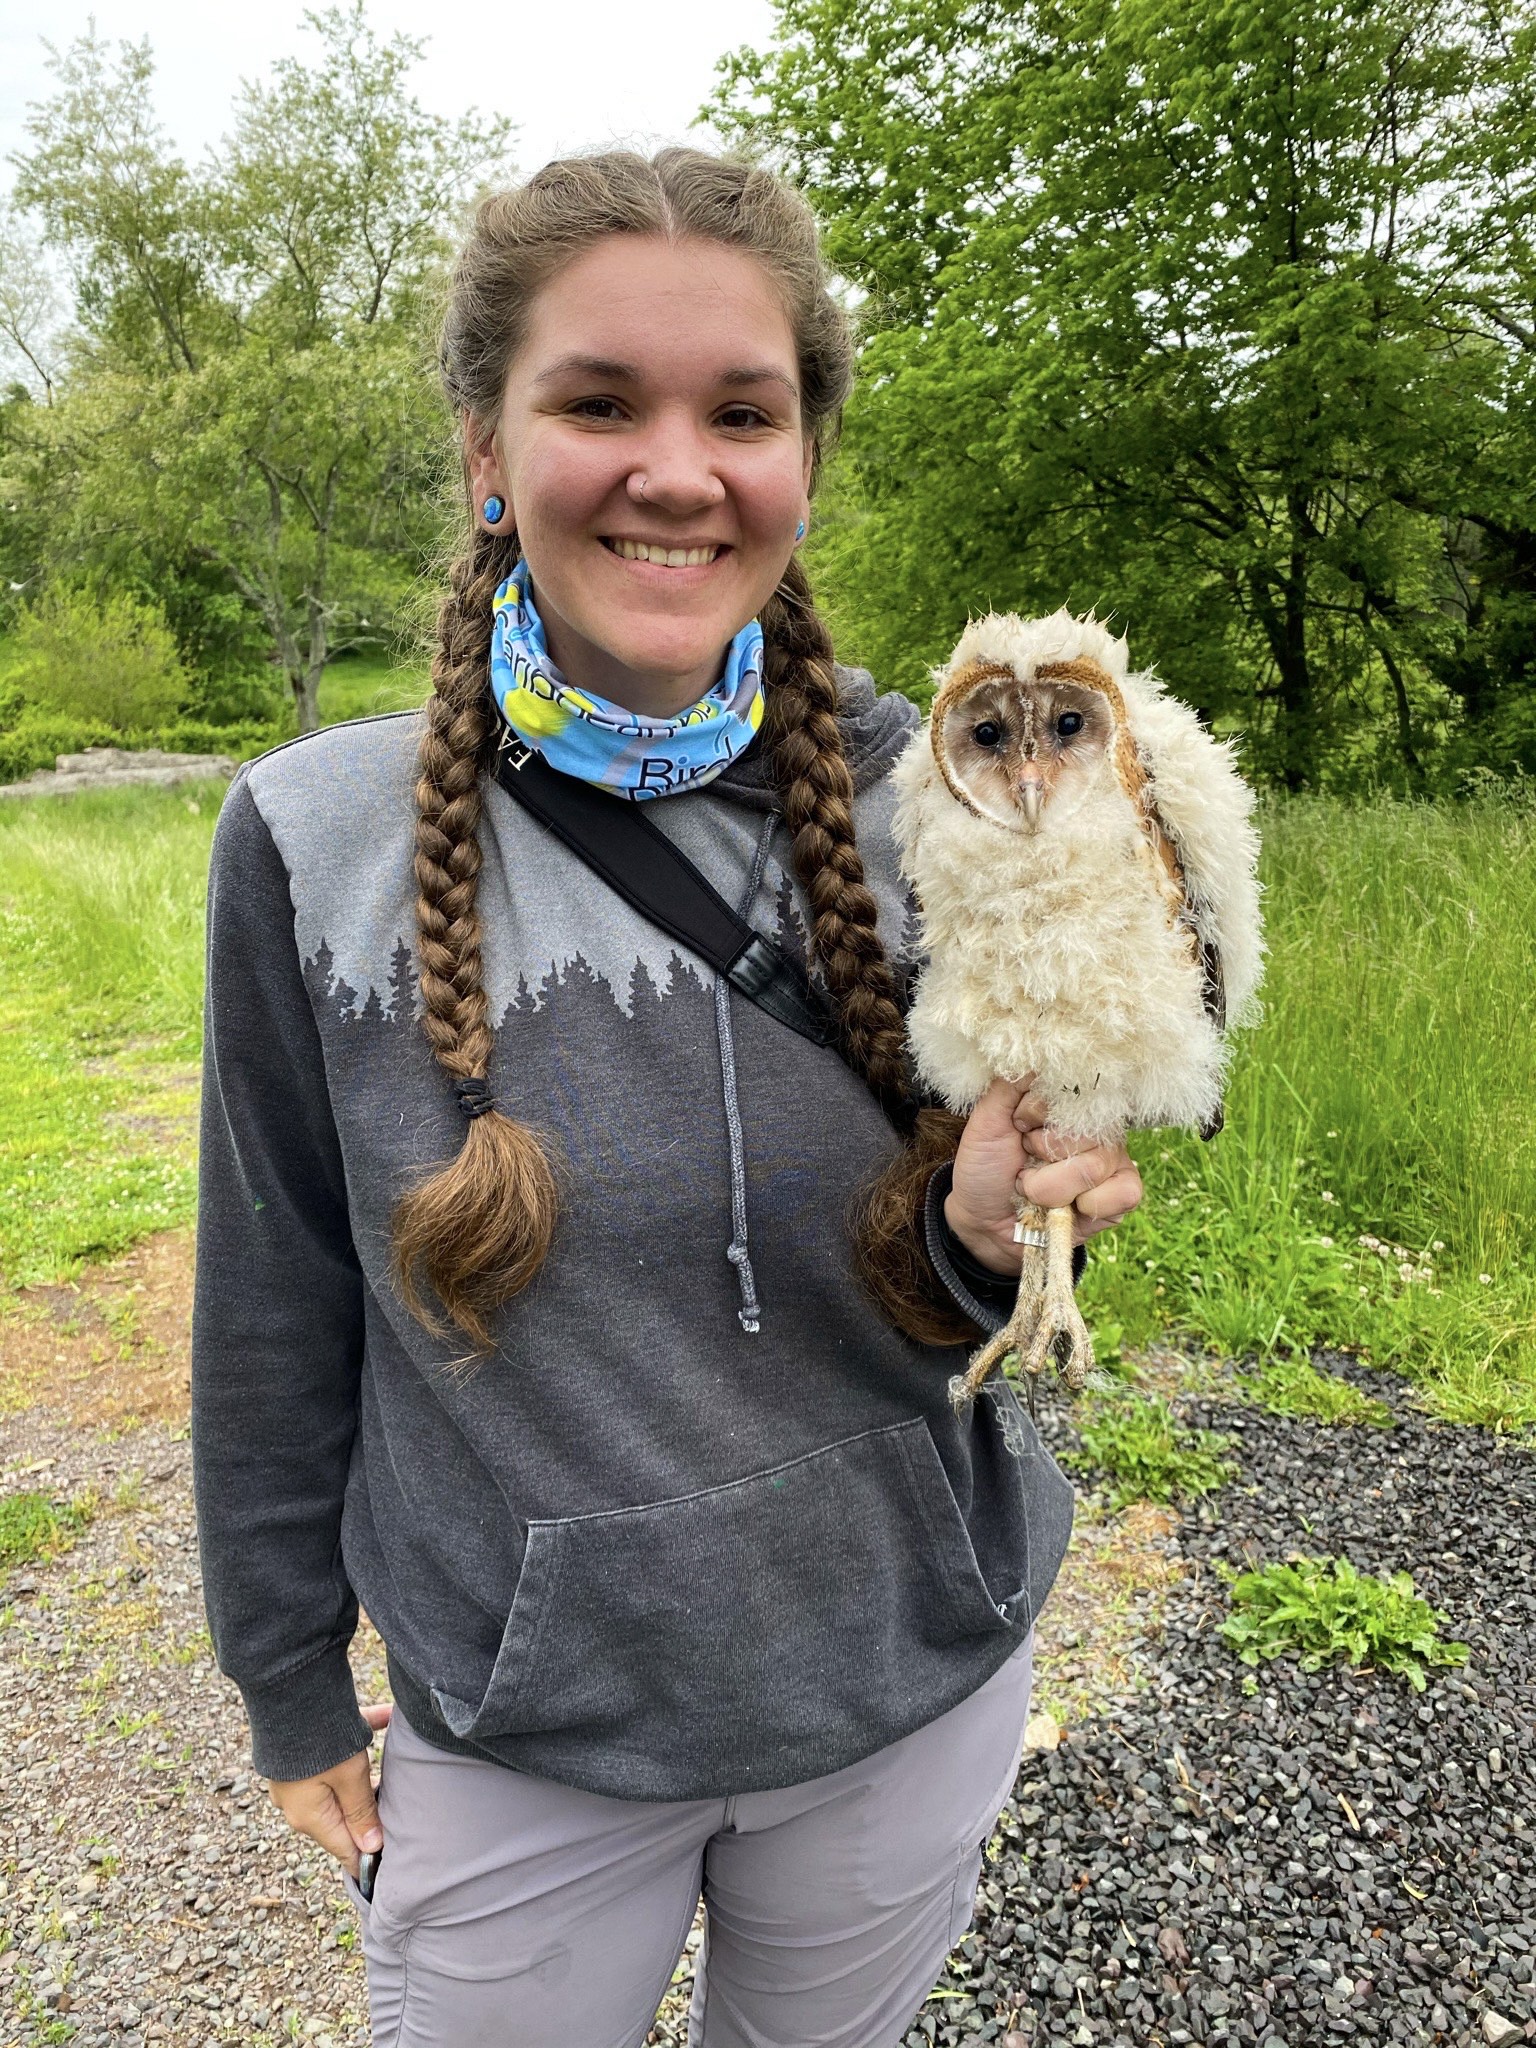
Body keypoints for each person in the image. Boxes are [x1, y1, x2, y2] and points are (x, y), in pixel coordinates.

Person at [189, 147, 1144, 2048]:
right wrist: (290, 1682)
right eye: (598, 402)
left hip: (906, 1680)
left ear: (806, 458)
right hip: (531, 1734)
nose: (679, 468)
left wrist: (988, 1238)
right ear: (486, 445)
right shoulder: (308, 843)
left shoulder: (968, 786)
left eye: (745, 411)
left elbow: (1017, 1228)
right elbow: (274, 1301)